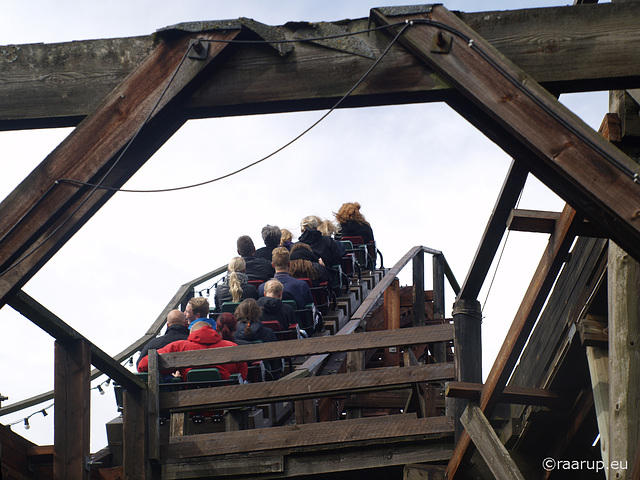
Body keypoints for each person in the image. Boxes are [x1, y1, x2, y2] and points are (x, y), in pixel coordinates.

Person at [137, 320, 248, 381]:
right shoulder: (232, 346)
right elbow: (243, 374)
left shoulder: (179, 347)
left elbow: (143, 366)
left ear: (191, 334)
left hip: (190, 405)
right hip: (226, 400)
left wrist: (170, 372)